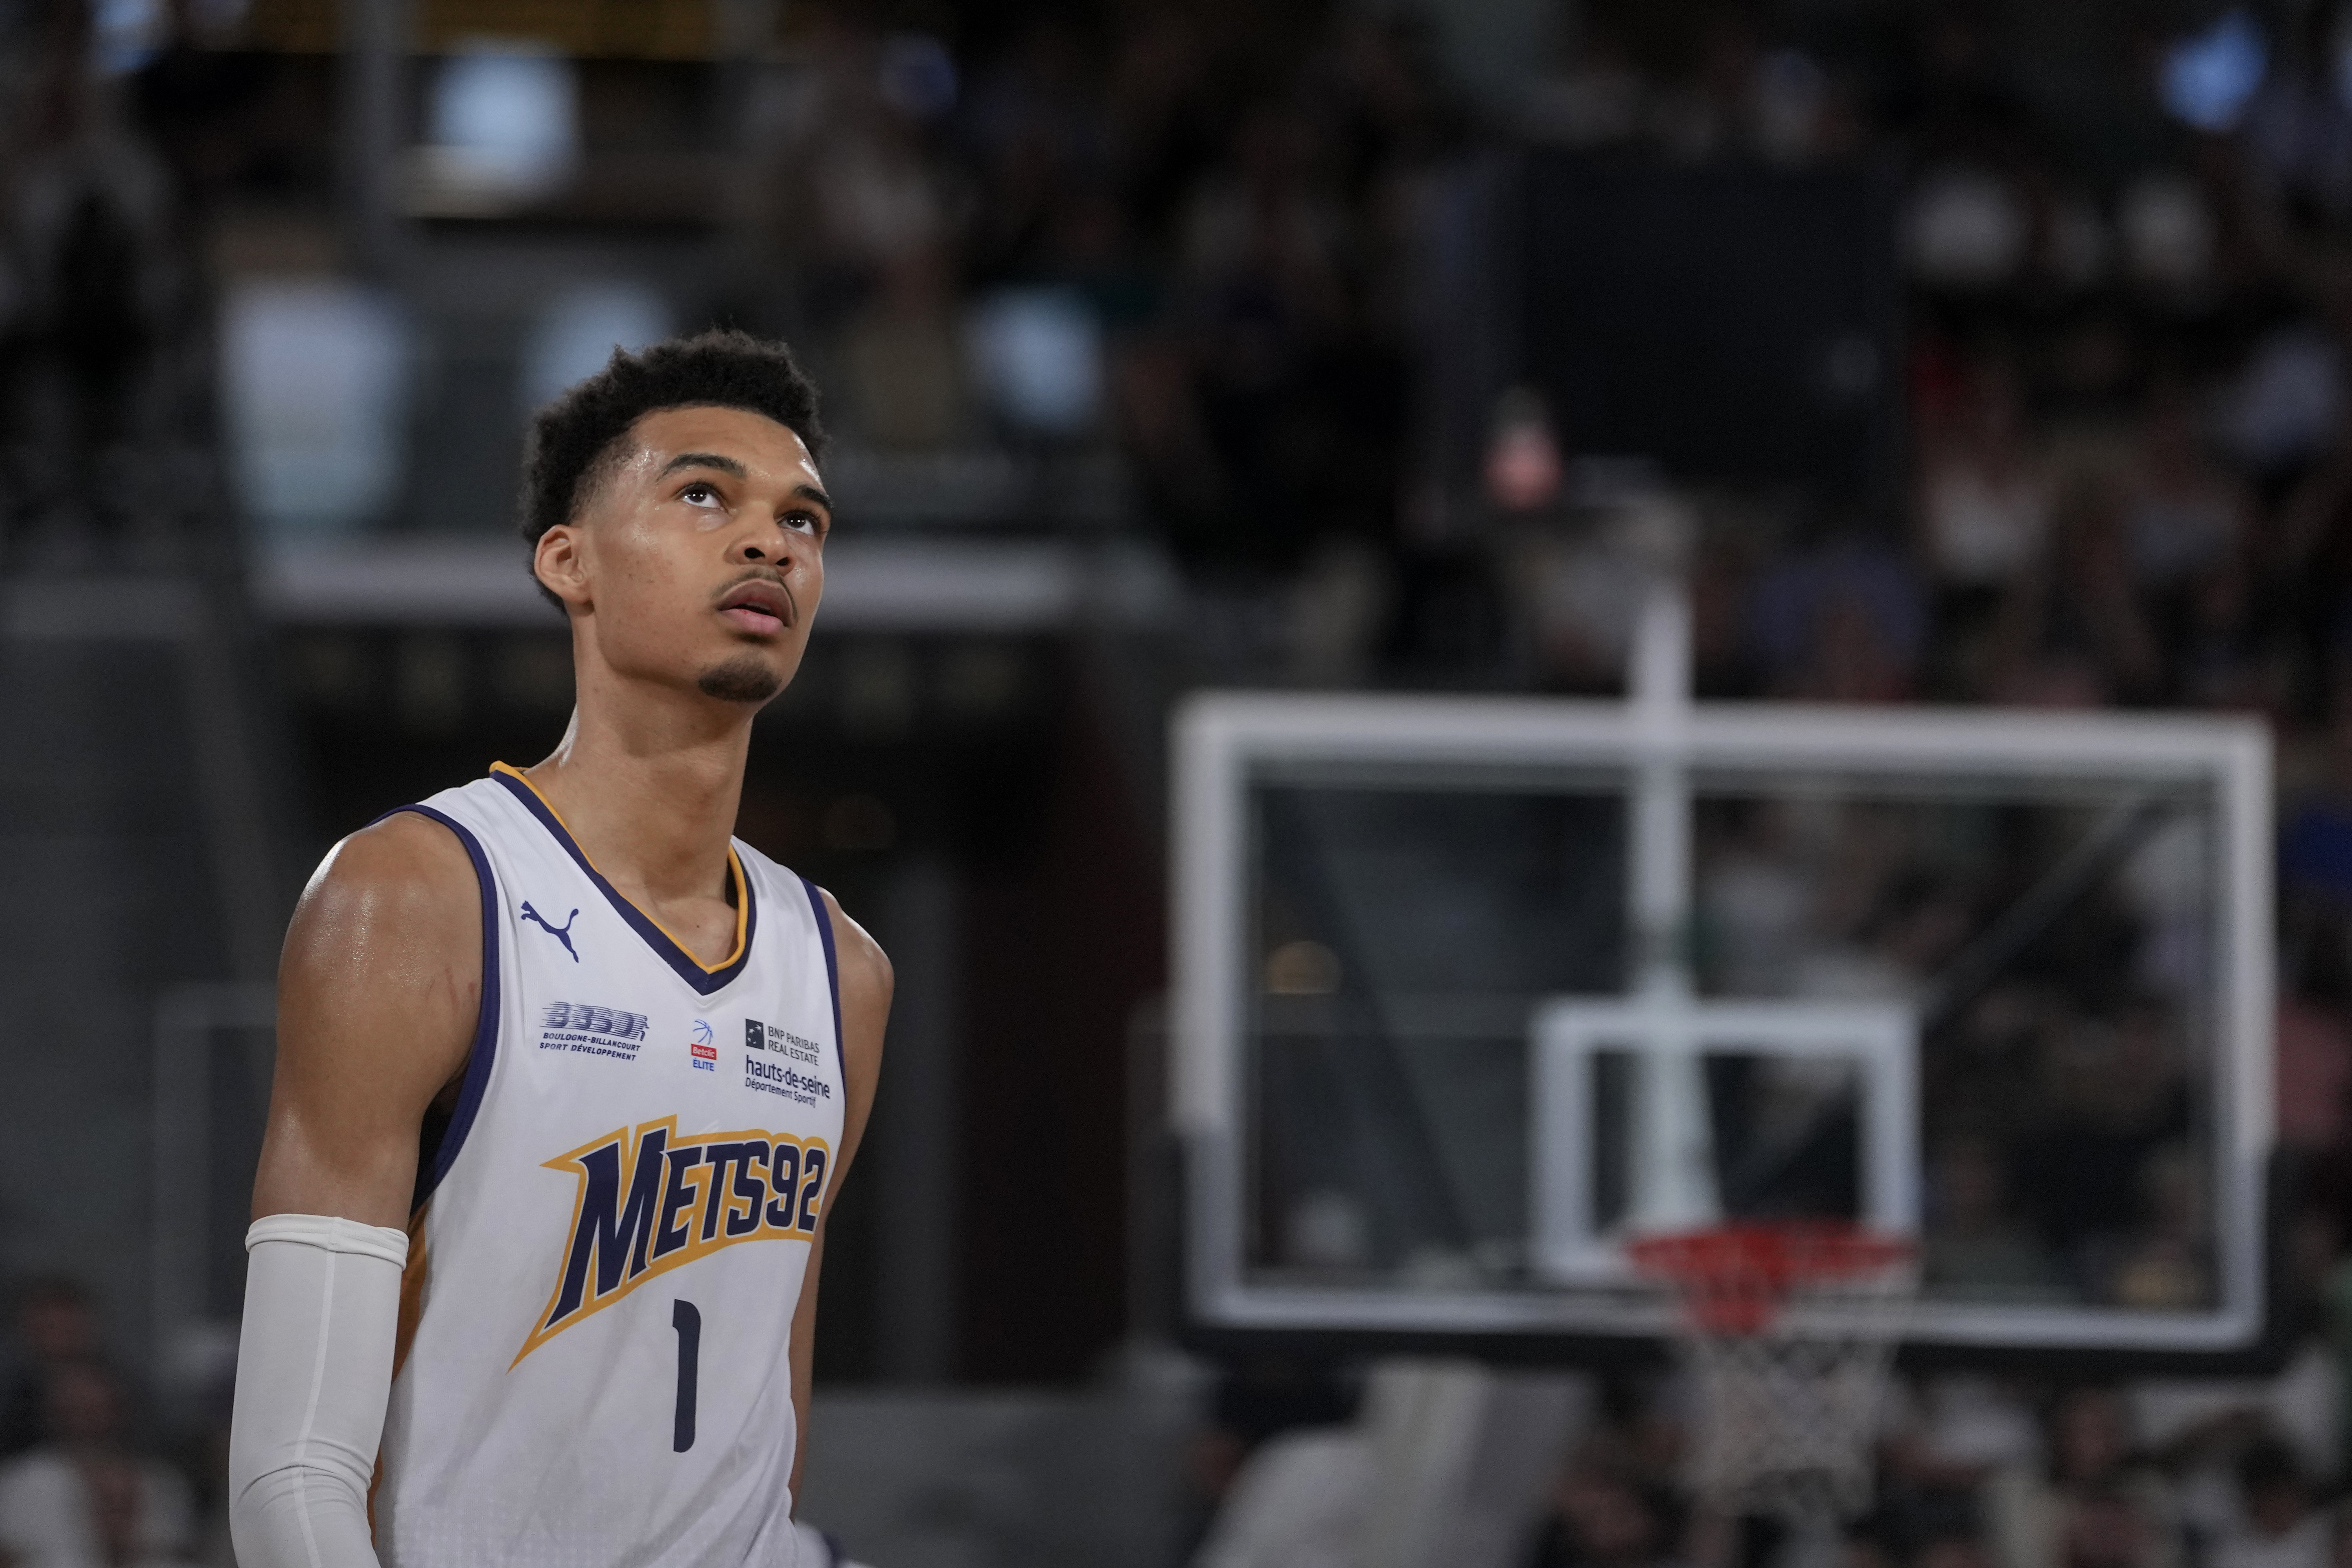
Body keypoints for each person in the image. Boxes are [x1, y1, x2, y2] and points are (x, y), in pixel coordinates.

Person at [226, 331, 890, 1568]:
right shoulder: (415, 897)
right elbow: (290, 1473)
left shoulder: (842, 970)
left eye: (804, 520)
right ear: (567, 561)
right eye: (704, 494)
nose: (769, 542)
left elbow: (764, 1433)